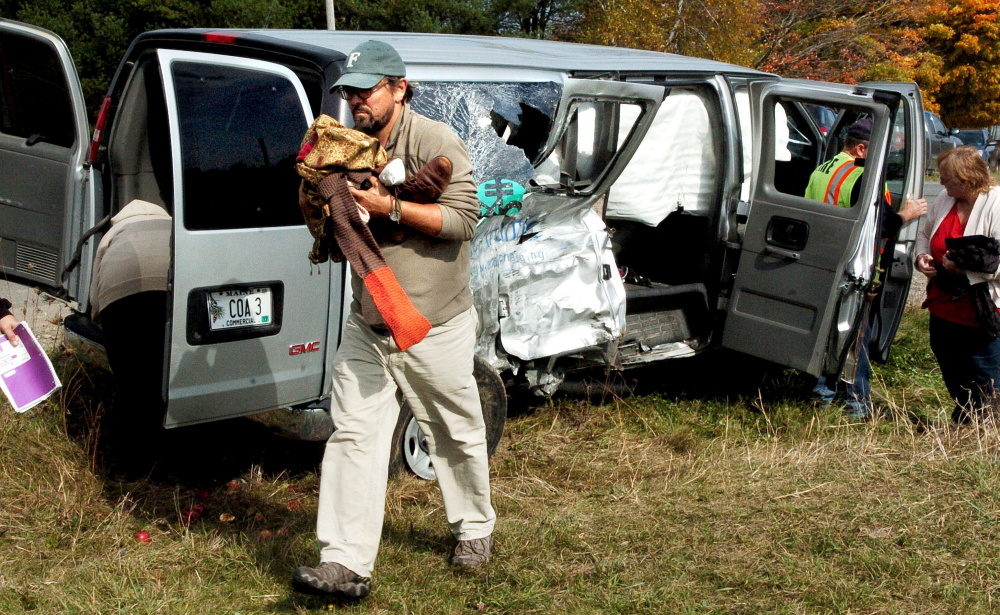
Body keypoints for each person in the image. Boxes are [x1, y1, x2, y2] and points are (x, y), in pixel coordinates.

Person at [293, 40, 495, 600]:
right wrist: (323, 206)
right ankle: (344, 562)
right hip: (371, 322)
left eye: (367, 89)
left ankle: (474, 527)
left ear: (399, 89)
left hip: (436, 324)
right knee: (353, 434)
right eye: (350, 90)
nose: (355, 99)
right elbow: (333, 223)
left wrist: (389, 207)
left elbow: (464, 220)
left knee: (453, 433)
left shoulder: (434, 140)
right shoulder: (345, 145)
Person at [806, 117, 927, 417]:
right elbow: (882, 224)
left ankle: (822, 394)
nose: (883, 159)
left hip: (824, 260)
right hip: (854, 267)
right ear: (861, 149)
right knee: (855, 336)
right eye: (878, 151)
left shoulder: (824, 168)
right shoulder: (861, 177)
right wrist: (906, 214)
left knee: (829, 331)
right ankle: (856, 403)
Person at [915, 146, 1000, 422]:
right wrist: (922, 256)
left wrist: (967, 270)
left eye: (945, 178)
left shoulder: (996, 205)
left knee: (986, 374)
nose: (939, 183)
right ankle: (966, 415)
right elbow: (925, 235)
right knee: (951, 366)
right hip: (944, 304)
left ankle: (984, 428)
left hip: (982, 310)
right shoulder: (944, 198)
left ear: (965, 180)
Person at [89, 199, 172, 475]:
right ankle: (164, 455)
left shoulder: (113, 233)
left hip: (121, 299)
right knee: (160, 376)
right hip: (167, 294)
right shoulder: (171, 225)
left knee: (127, 381)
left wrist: (104, 325)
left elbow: (94, 301)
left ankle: (125, 464)